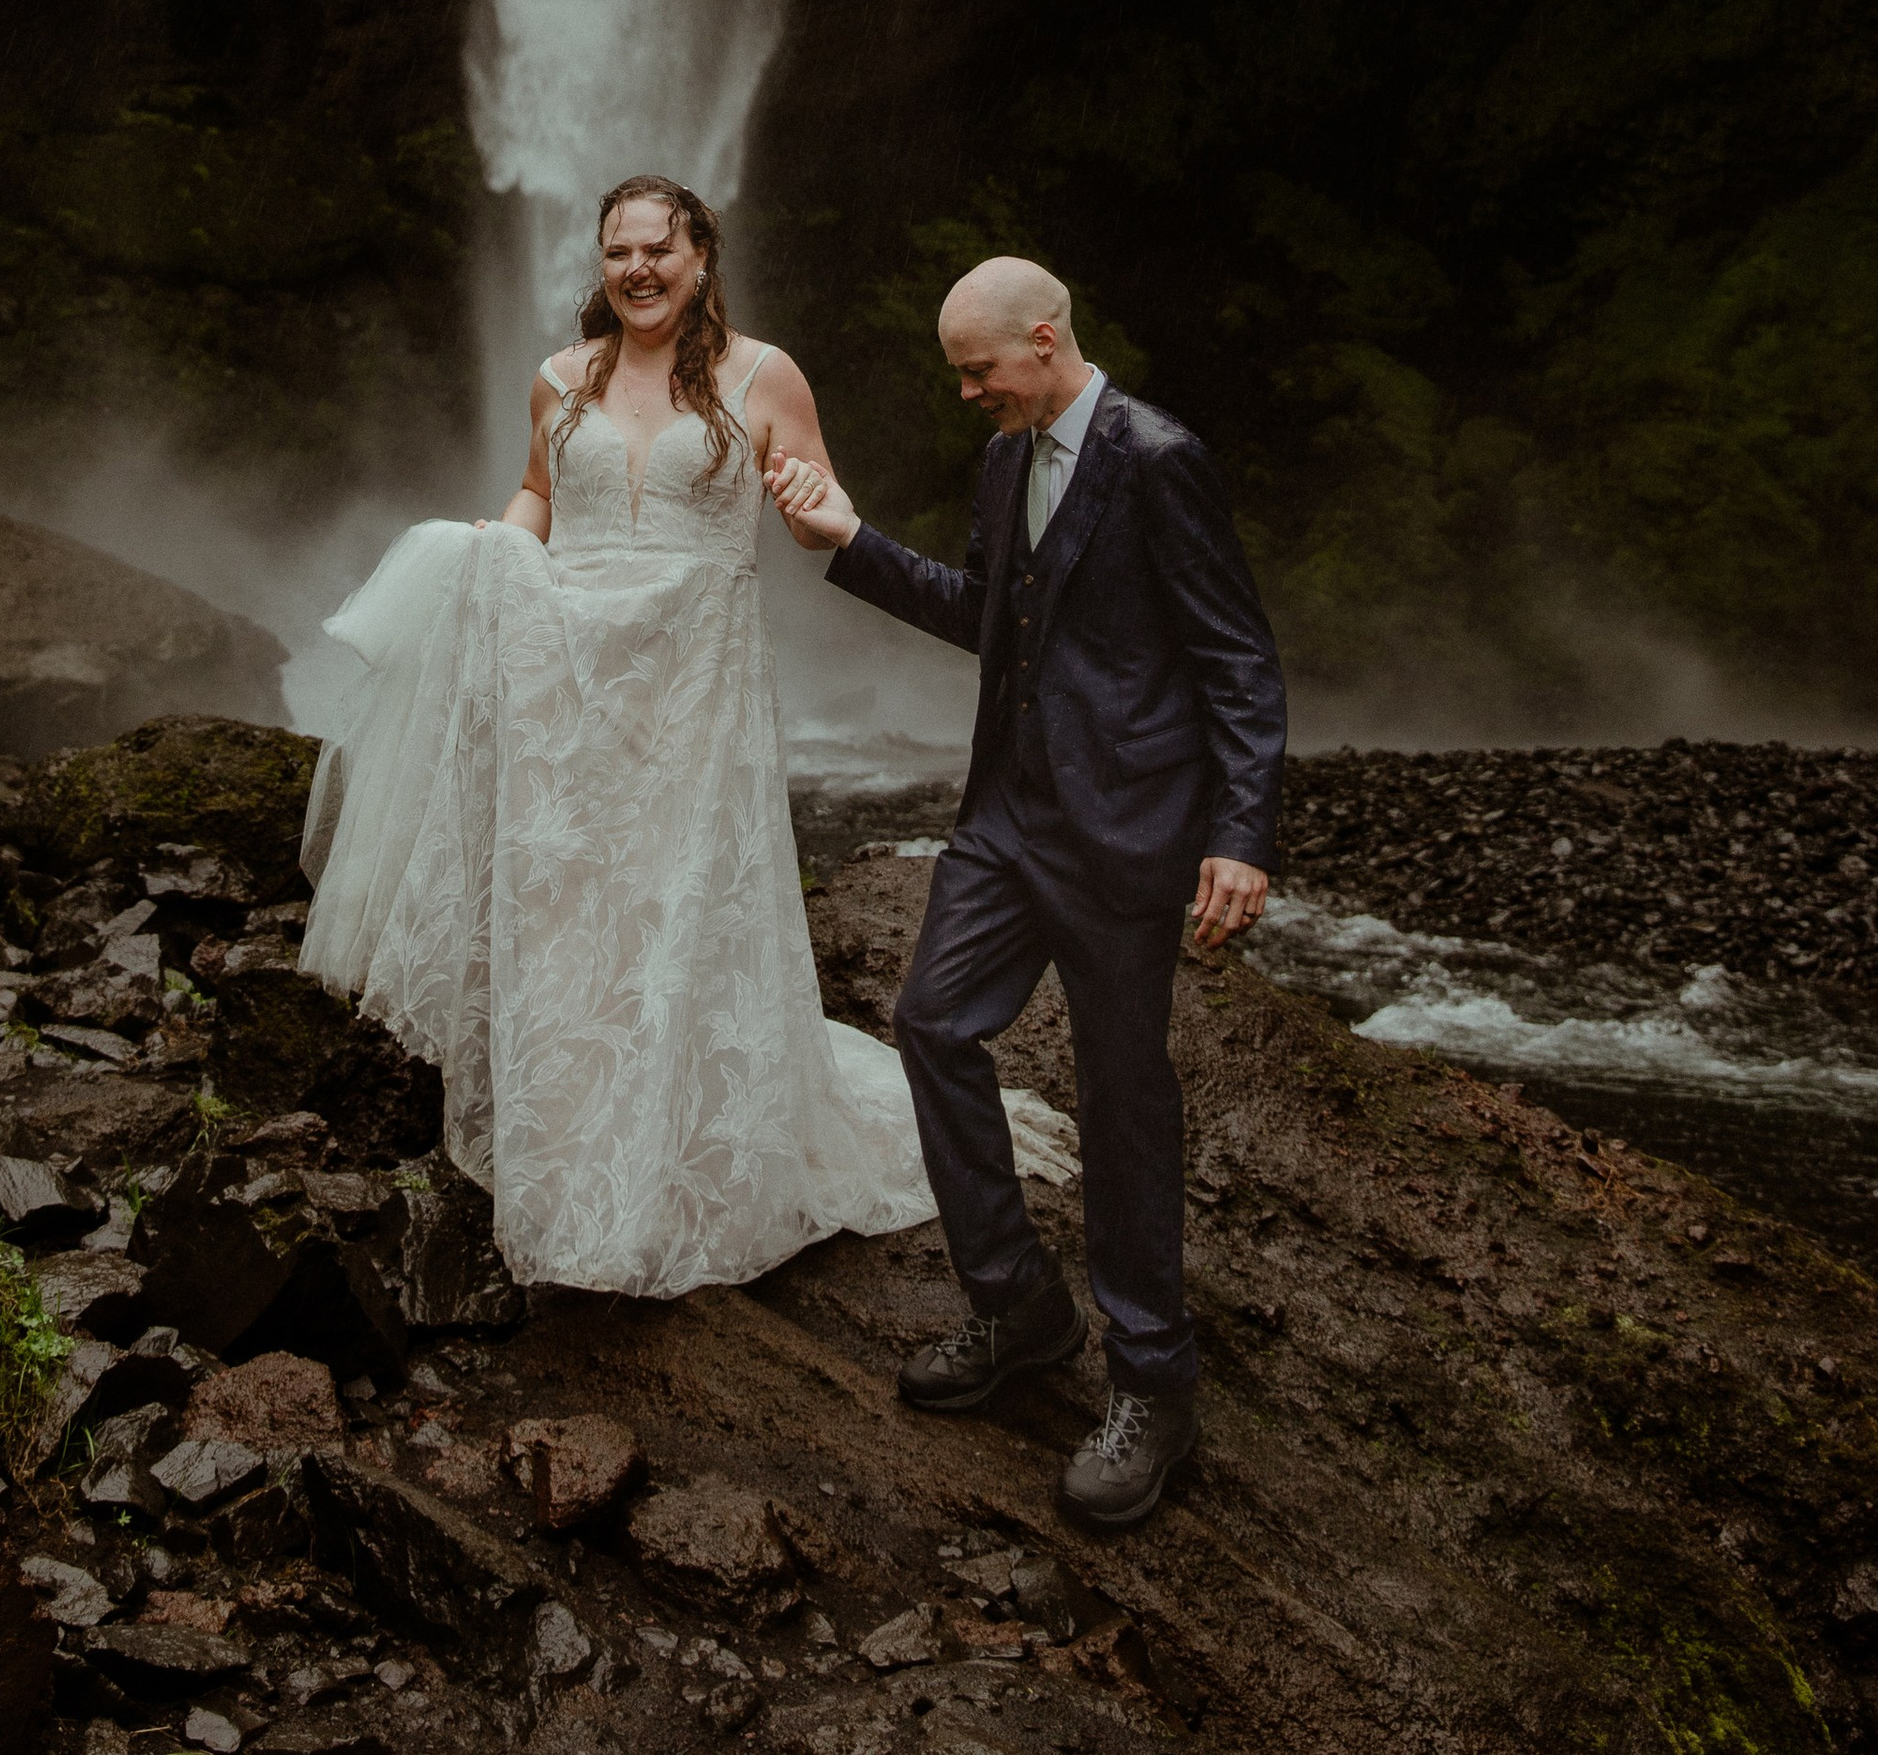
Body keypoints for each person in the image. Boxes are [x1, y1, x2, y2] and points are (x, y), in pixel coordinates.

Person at [298, 176, 1074, 1297]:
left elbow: (815, 503)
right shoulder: (559, 380)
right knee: (567, 909)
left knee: (674, 911)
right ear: (602, 264)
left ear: (702, 255)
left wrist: (811, 504)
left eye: (660, 249)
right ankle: (568, 1154)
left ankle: (668, 1168)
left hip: (691, 690)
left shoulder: (766, 375)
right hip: (568, 684)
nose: (639, 271)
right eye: (619, 253)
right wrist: (492, 545)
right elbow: (535, 499)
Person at [766, 255, 1284, 1529]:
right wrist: (847, 543)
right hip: (1004, 820)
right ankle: (1018, 1306)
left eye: (976, 369)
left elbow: (1237, 658)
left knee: (1122, 1100)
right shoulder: (1005, 460)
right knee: (932, 1025)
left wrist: (1240, 835)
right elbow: (983, 616)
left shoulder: (1158, 458)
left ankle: (1153, 1384)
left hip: (1124, 836)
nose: (963, 393)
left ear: (1043, 342)